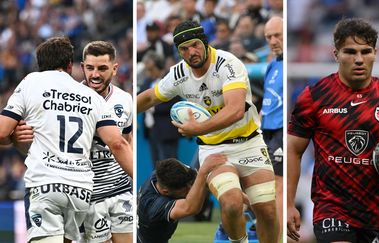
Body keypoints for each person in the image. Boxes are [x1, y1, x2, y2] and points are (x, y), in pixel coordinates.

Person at [286, 18, 379, 243]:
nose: (358, 59)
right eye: (350, 52)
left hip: (376, 213)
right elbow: (293, 150)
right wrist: (288, 204)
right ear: (336, 54)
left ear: (376, 52)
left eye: (365, 51)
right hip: (331, 209)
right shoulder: (315, 96)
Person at [137, 20, 278, 243]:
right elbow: (150, 97)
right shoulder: (179, 74)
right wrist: (121, 113)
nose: (190, 52)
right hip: (213, 149)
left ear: (204, 42)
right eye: (183, 49)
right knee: (231, 203)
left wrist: (197, 128)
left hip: (249, 142)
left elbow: (235, 110)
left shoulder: (227, 64)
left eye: (194, 45)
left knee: (268, 210)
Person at [0, 37, 133, 243]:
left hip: (46, 184)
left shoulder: (32, 81)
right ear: (72, 65)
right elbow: (118, 143)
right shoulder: (91, 96)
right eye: (89, 68)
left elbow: (2, 132)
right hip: (82, 190)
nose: (94, 74)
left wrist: (12, 138)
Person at [79, 41, 133, 243]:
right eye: (90, 68)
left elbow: (126, 141)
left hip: (120, 190)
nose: (95, 75)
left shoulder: (125, 99)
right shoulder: (73, 98)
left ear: (115, 68)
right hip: (89, 195)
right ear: (83, 66)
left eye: (102, 68)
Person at [137, 154, 226, 243]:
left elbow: (195, 176)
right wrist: (203, 173)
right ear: (166, 192)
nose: (190, 189)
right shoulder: (153, 206)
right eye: (185, 190)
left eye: (189, 184)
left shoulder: (165, 172)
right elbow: (190, 208)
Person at [261, 16, 283, 239]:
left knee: (277, 187)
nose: (273, 41)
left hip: (281, 133)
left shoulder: (288, 66)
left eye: (278, 35)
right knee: (263, 188)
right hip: (266, 132)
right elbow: (268, 100)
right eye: (269, 37)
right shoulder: (272, 65)